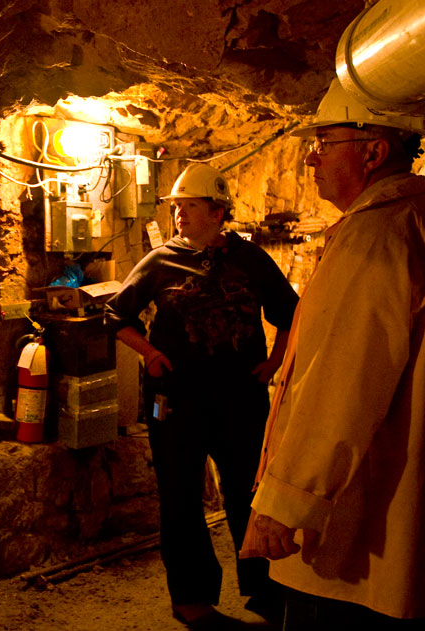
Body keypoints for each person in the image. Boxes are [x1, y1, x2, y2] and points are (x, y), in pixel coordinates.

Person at [238, 79, 425, 629]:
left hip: (362, 522)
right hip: (404, 498)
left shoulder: (379, 238)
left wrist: (287, 499)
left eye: (325, 142)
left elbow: (341, 385)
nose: (310, 158)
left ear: (373, 151)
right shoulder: (419, 227)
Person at [106, 163, 298, 627]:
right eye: (177, 209)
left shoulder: (250, 260)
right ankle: (191, 600)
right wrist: (149, 352)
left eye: (190, 208)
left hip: (240, 398)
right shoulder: (160, 261)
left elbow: (291, 312)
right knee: (180, 496)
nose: (180, 217)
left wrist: (274, 363)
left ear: (217, 211)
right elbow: (117, 315)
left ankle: (264, 591)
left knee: (248, 494)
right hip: (173, 402)